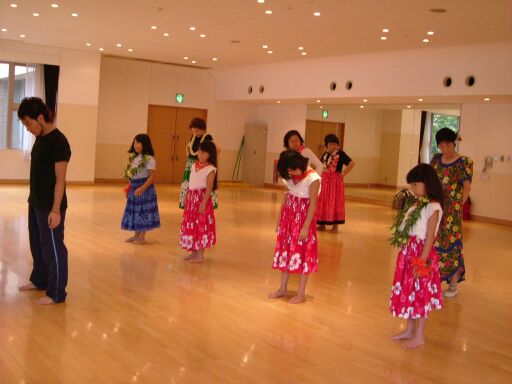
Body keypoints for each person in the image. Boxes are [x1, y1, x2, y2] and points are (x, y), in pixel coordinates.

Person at [17, 97, 71, 305]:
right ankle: (39, 280)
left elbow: (60, 180)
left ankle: (57, 292)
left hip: (51, 206)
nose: (28, 128)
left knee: (53, 248)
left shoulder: (59, 142)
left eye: (29, 123)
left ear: (41, 118)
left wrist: (56, 210)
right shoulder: (40, 138)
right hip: (36, 202)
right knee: (37, 245)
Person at [389, 164, 444, 348]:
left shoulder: (433, 207)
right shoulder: (416, 204)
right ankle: (409, 329)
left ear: (427, 183)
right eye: (411, 185)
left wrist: (421, 261)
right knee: (410, 292)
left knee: (421, 294)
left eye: (414, 184)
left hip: (422, 254)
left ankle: (419, 335)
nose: (412, 188)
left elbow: (429, 237)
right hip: (409, 251)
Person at [269, 149, 321, 304]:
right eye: (288, 171)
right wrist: (279, 218)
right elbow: (286, 196)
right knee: (285, 251)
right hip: (288, 219)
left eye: (291, 169)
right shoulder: (290, 176)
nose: (290, 173)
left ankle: (301, 293)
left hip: (303, 220)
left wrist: (305, 227)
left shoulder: (313, 178)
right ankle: (282, 288)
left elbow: (313, 204)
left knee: (302, 253)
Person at [430, 128, 473, 298]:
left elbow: (467, 188)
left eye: (448, 145)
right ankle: (435, 282)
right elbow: (430, 181)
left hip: (453, 213)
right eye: (441, 146)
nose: (445, 150)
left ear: (453, 143)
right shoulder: (435, 160)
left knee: (452, 248)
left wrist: (456, 207)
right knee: (434, 246)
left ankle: (453, 286)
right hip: (435, 209)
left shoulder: (464, 162)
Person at [179, 141, 218, 263]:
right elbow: (191, 182)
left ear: (210, 154)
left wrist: (203, 203)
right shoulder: (194, 165)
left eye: (204, 152)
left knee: (201, 225)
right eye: (200, 151)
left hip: (201, 199)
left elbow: (209, 188)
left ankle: (200, 254)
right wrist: (186, 196)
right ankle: (193, 252)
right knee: (192, 224)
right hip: (191, 198)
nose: (200, 154)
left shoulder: (210, 169)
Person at [121, 134, 160, 243]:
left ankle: (142, 236)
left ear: (145, 144)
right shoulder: (134, 158)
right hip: (134, 187)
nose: (135, 145)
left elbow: (152, 177)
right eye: (134, 142)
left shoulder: (149, 159)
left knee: (143, 212)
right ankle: (136, 235)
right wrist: (129, 188)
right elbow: (131, 175)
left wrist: (142, 188)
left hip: (145, 188)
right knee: (136, 212)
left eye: (138, 142)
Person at [316, 134, 355, 231]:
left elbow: (352, 163)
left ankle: (335, 225)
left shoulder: (341, 154)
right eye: (330, 144)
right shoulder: (325, 154)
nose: (332, 146)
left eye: (334, 144)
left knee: (335, 201)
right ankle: (322, 223)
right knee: (323, 202)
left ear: (337, 145)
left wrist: (343, 174)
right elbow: (321, 166)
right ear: (326, 145)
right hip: (324, 181)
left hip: (335, 182)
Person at [180, 117, 218, 209]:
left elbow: (217, 149)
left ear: (202, 129)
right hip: (191, 165)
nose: (195, 133)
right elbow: (188, 148)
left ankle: (203, 204)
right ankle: (189, 203)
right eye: (193, 131)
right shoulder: (193, 137)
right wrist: (189, 155)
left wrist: (205, 161)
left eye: (197, 131)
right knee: (189, 185)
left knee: (202, 186)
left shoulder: (207, 137)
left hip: (202, 166)